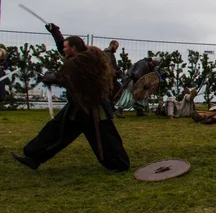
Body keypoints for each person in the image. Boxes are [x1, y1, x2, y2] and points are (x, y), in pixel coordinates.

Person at [12, 23, 130, 172]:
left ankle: (120, 164)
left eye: (67, 47)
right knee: (55, 131)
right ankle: (33, 157)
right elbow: (65, 51)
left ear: (74, 49)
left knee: (105, 138)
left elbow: (65, 77)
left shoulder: (83, 62)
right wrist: (55, 32)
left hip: (93, 109)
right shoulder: (81, 56)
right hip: (78, 107)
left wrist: (51, 78)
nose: (63, 49)